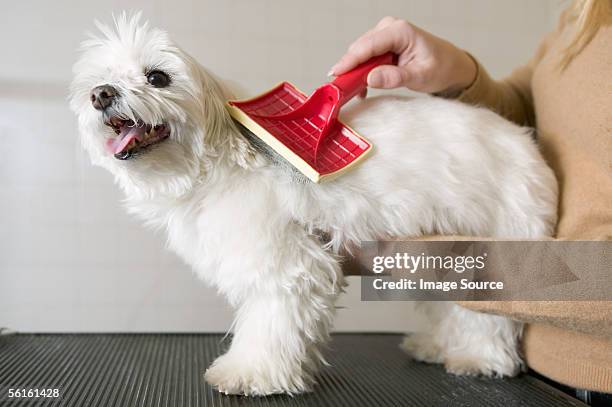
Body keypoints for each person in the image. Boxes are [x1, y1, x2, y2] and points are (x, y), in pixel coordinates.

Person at [332, 1, 611, 404]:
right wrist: (457, 72)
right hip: (535, 371)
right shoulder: (588, 12)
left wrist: (418, 260)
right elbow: (537, 114)